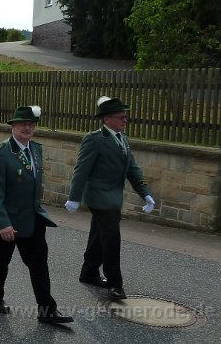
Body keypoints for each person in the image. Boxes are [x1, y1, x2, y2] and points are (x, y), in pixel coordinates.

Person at [0, 105, 73, 325]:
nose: (27, 127)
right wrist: (3, 223)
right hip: (6, 221)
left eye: (31, 124)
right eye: (22, 124)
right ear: (13, 126)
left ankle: (47, 310)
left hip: (32, 220)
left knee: (39, 264)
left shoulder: (36, 149)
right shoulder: (0, 153)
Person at [65, 96, 157, 300]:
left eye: (126, 117)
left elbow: (132, 169)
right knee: (112, 239)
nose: (126, 120)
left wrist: (146, 193)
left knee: (99, 235)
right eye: (121, 117)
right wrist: (74, 197)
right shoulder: (95, 139)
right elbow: (81, 170)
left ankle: (88, 272)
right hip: (99, 197)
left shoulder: (123, 139)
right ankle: (115, 284)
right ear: (107, 119)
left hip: (113, 197)